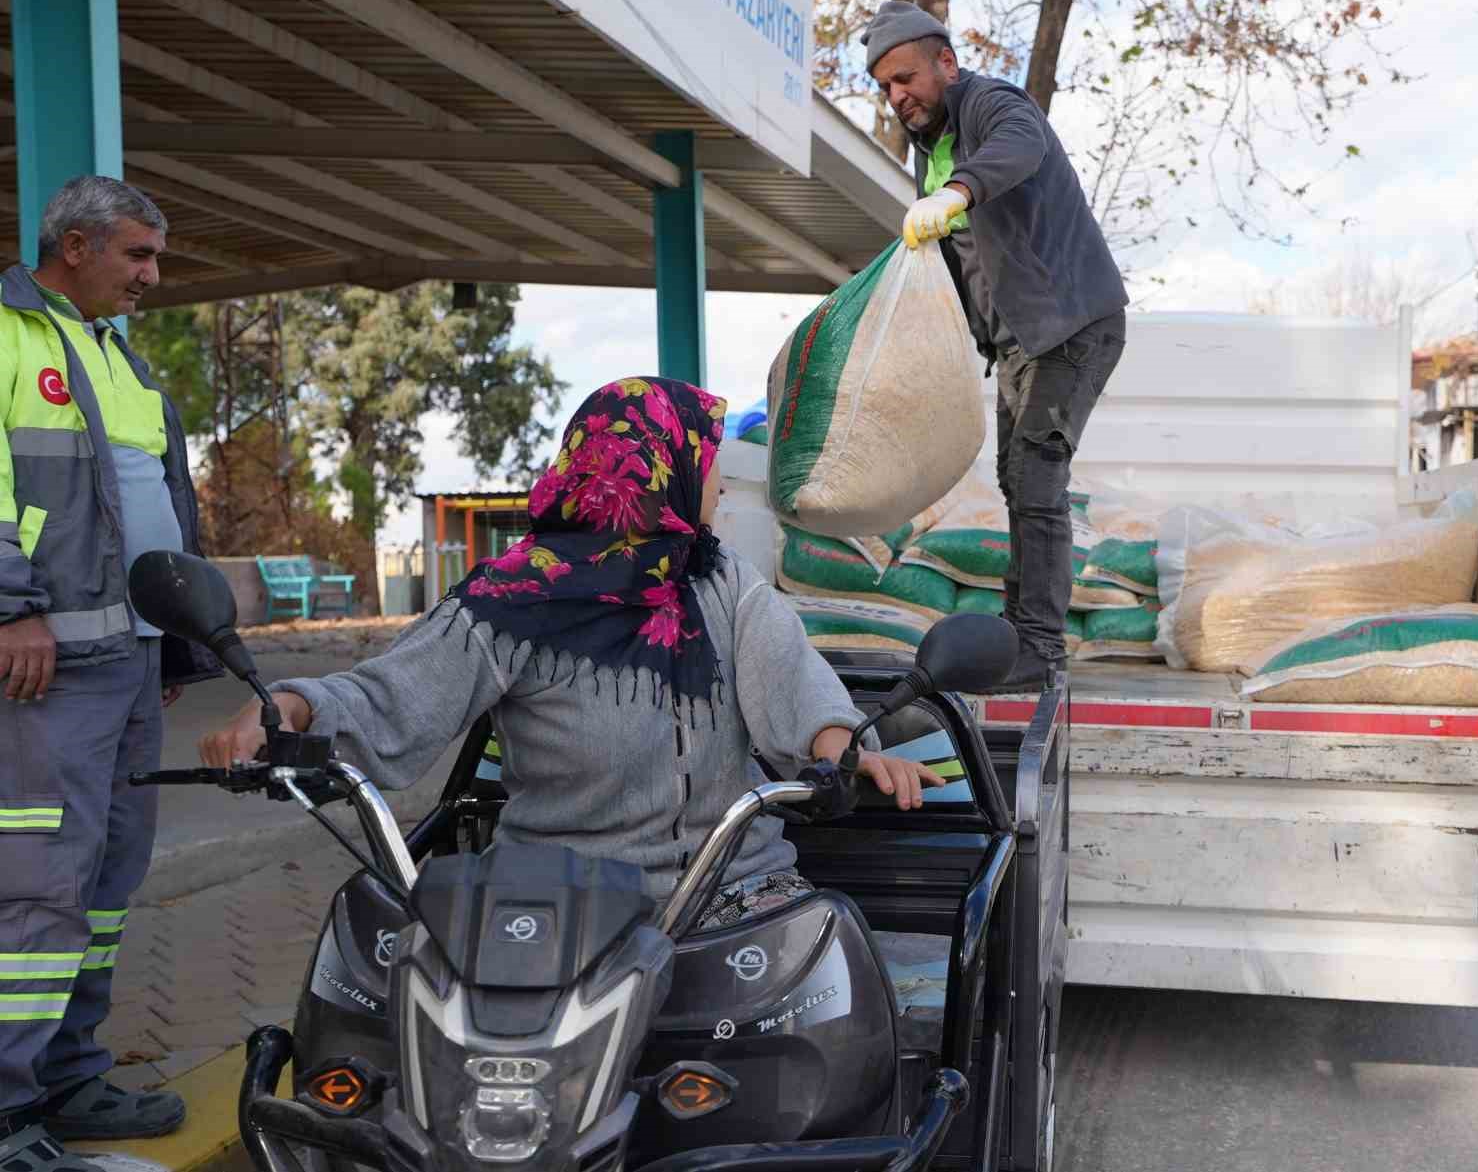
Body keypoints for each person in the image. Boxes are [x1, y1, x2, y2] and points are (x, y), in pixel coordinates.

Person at [198, 378, 941, 930]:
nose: (715, 483)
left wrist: (847, 748)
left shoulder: (720, 580)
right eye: (707, 462)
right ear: (661, 471)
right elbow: (390, 696)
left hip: (736, 891)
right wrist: (287, 708)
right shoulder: (510, 600)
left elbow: (793, 680)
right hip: (558, 908)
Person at [0, 176, 220, 1170]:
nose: (151, 275)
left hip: (126, 660)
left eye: (155, 257)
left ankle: (69, 1072)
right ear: (75, 244)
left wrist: (174, 639)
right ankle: (8, 1108)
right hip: (47, 663)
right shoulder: (9, 338)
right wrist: (14, 608)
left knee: (103, 880)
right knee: (38, 882)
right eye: (137, 254)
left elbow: (158, 503)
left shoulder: (118, 358)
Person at [863, 1, 1129, 691]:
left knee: (1038, 477)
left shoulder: (991, 105)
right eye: (885, 86)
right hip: (1018, 344)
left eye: (905, 77)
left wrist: (957, 191)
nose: (897, 96)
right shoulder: (932, 148)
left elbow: (1021, 148)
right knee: (1017, 481)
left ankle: (1039, 649)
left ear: (946, 63)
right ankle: (1022, 637)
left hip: (1072, 325)